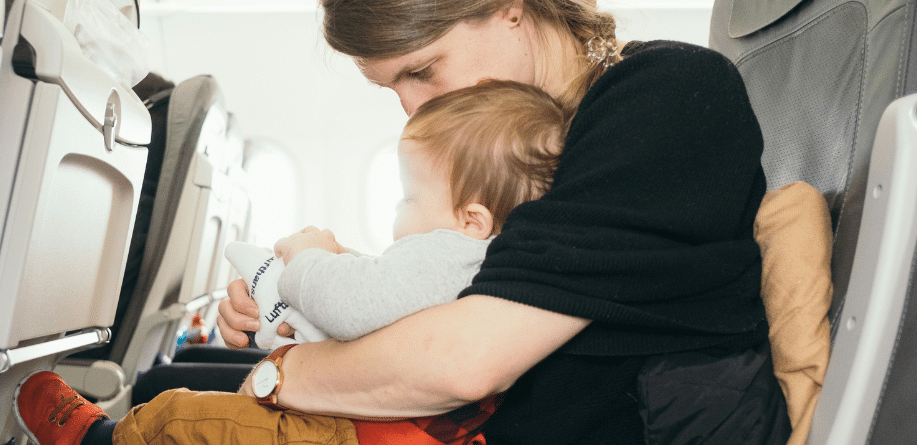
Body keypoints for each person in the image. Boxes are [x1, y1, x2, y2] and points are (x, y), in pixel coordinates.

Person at [213, 1, 790, 444]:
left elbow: (462, 363)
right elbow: (477, 285)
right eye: (392, 86)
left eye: (423, 70)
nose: (412, 108)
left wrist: (282, 373)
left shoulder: (668, 95)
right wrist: (313, 292)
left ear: (511, 8)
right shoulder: (501, 142)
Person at [14, 79, 569, 445]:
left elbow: (355, 306)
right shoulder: (489, 258)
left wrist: (309, 258)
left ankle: (100, 439)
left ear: (472, 218)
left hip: (354, 433)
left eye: (408, 198)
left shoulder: (450, 251)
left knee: (186, 416)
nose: (400, 212)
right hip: (378, 422)